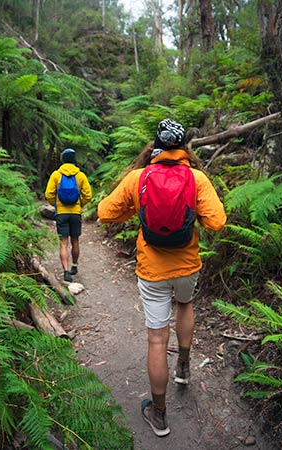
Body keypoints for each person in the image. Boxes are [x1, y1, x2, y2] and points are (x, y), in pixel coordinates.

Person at [97, 119, 227, 437]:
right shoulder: (197, 178)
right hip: (187, 266)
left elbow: (104, 212)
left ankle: (159, 416)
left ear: (154, 147)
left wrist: (138, 210)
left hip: (152, 271)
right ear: (184, 148)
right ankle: (183, 366)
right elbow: (217, 222)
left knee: (157, 339)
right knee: (185, 304)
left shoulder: (137, 178)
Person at [45, 148, 93, 282]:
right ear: (74, 160)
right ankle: (74, 266)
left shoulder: (56, 175)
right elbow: (88, 195)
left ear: (63, 159)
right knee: (75, 240)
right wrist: (80, 205)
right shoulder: (80, 175)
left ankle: (66, 272)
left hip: (61, 213)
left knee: (63, 243)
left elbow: (48, 194)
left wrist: (56, 205)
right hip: (75, 213)